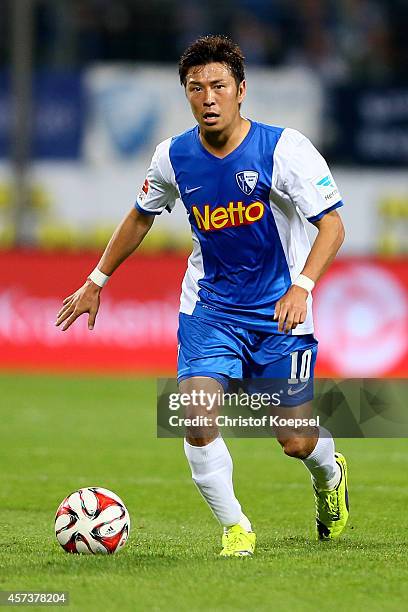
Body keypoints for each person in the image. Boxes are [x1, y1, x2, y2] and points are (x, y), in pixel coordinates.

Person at [56, 35, 349, 557]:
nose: (208, 97)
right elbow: (141, 214)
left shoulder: (284, 149)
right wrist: (96, 281)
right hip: (209, 310)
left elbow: (332, 226)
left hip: (280, 311)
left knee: (296, 441)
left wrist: (302, 286)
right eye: (196, 88)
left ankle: (330, 478)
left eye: (218, 86)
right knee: (195, 416)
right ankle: (236, 528)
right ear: (186, 95)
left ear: (240, 90)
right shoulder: (173, 156)